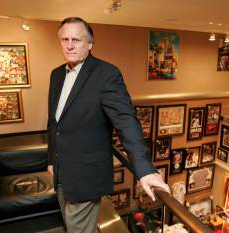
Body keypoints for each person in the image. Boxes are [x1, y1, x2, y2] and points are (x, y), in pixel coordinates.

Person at [46, 17, 170, 233]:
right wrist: (51, 160)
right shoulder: (56, 75)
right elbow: (54, 123)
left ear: (90, 43)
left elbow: (126, 122)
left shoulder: (106, 74)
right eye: (64, 39)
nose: (69, 45)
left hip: (87, 175)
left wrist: (145, 170)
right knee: (73, 224)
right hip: (60, 171)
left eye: (76, 39)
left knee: (77, 229)